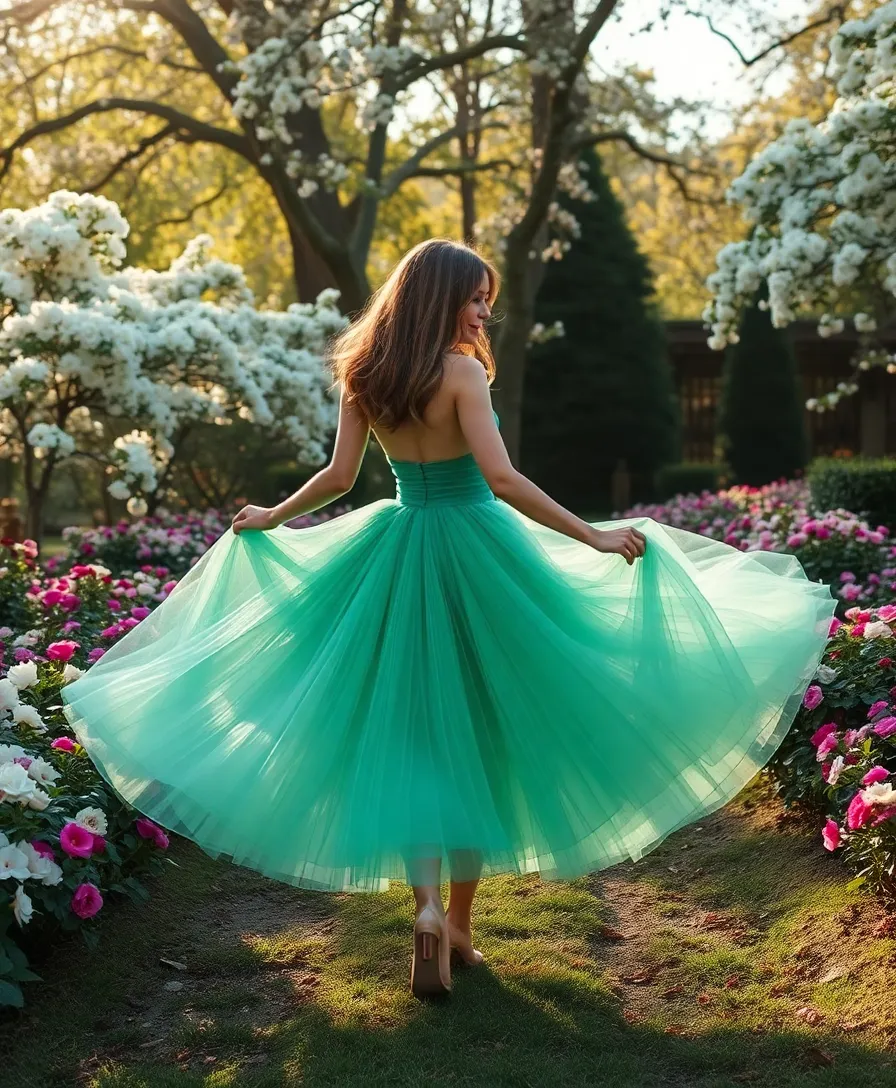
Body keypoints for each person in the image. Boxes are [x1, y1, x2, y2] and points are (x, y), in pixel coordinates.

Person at [62, 239, 836, 1000]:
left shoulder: (365, 374)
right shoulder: (461, 373)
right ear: (441, 298)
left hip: (395, 555)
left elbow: (337, 477)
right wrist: (594, 536)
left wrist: (273, 515)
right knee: (483, 738)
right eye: (474, 300)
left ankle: (428, 907)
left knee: (414, 736)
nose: (482, 315)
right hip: (478, 558)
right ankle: (458, 924)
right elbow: (500, 478)